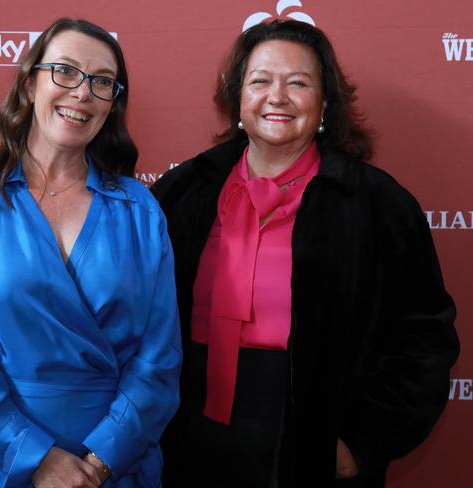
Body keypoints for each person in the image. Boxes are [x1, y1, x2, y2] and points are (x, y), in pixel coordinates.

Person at [151, 19, 459, 488]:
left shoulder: (378, 205)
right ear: (238, 100)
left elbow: (424, 339)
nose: (277, 96)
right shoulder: (184, 192)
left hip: (310, 447)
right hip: (189, 439)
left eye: (298, 83)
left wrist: (364, 441)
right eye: (260, 81)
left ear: (324, 105)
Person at [0, 18, 181, 488]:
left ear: (112, 104)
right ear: (29, 81)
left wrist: (99, 462)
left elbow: (158, 358)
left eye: (102, 81)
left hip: (112, 465)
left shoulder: (140, 209)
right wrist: (34, 456)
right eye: (65, 70)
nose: (82, 92)